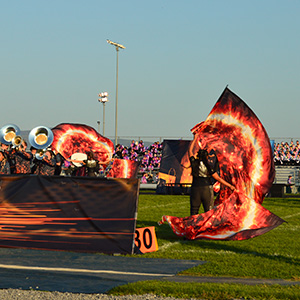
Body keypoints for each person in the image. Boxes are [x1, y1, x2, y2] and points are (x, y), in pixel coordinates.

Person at [188, 136, 235, 215]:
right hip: (206, 189)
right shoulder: (209, 166)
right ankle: (207, 227)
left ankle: (193, 226)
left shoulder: (194, 163)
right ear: (206, 157)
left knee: (194, 211)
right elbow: (218, 178)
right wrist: (230, 186)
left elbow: (190, 151)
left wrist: (195, 139)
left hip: (195, 189)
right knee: (209, 212)